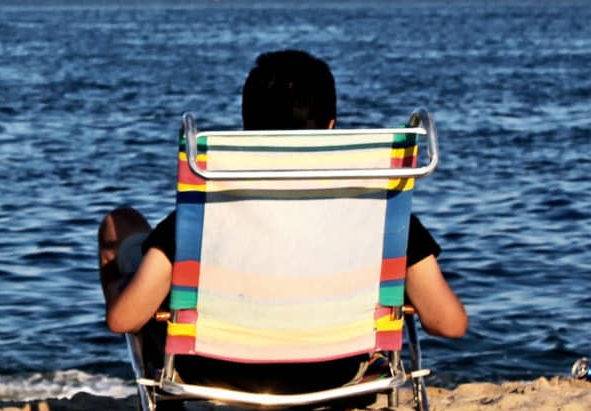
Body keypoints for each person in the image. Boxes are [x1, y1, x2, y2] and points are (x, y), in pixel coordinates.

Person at [99, 50, 467, 393]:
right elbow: (448, 323)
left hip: (215, 374)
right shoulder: (381, 214)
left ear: (246, 131)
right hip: (340, 376)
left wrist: (119, 279)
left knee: (121, 223)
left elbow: (123, 320)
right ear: (331, 127)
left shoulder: (203, 217)